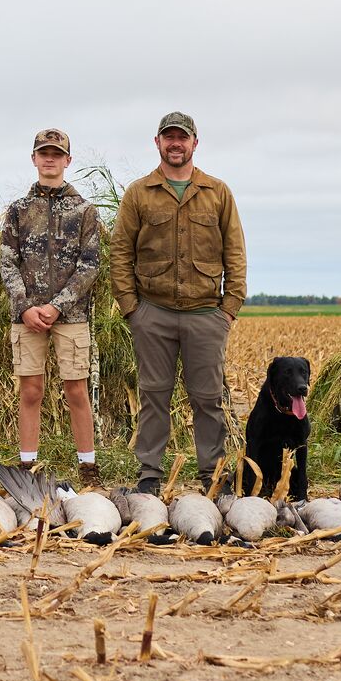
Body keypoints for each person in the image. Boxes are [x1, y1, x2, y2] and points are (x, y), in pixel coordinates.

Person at [108, 112, 247, 495]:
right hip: (152, 312)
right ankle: (149, 476)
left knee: (208, 399)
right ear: (157, 143)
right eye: (168, 137)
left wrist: (228, 308)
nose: (175, 144)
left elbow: (235, 253)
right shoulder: (139, 193)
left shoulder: (217, 192)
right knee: (154, 396)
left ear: (194, 144)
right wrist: (131, 308)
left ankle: (212, 476)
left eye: (182, 138)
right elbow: (120, 251)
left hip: (206, 314)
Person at [0, 128, 103, 487]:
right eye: (44, 153)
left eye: (57, 154)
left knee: (76, 389)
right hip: (26, 318)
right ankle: (27, 470)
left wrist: (57, 307)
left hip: (71, 317)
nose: (50, 159)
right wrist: (26, 307)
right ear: (33, 159)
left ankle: (88, 470)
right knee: (31, 390)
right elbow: (7, 263)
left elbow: (90, 265)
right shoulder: (18, 211)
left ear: (67, 161)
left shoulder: (84, 210)